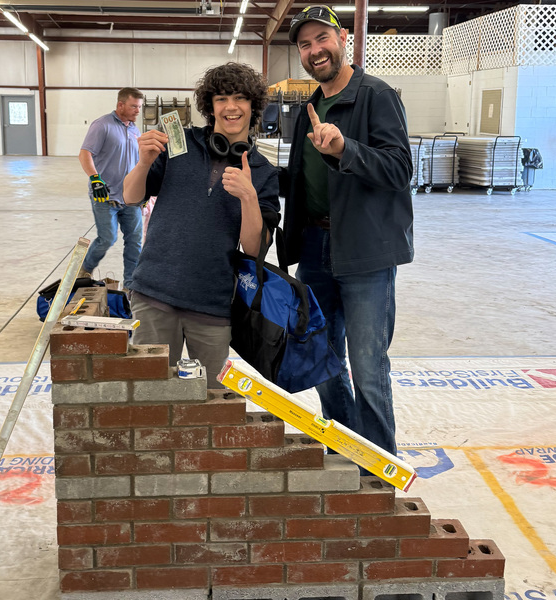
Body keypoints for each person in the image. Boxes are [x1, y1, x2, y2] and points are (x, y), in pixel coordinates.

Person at [281, 6, 414, 456]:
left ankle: (378, 469)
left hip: (364, 250)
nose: (314, 50)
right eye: (305, 44)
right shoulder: (310, 107)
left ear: (342, 39)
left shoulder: (376, 95)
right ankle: (347, 451)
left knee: (368, 367)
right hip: (314, 247)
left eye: (322, 38)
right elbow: (301, 178)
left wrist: (345, 149)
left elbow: (400, 169)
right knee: (323, 360)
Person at [123, 62, 280, 389]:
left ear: (253, 105)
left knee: (211, 400)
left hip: (212, 305)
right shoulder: (179, 143)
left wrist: (249, 198)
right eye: (221, 98)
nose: (231, 107)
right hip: (153, 294)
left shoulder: (263, 172)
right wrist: (144, 163)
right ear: (210, 106)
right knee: (149, 394)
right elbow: (131, 196)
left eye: (240, 98)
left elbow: (255, 247)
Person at [78, 87, 144, 288]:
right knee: (107, 238)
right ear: (120, 105)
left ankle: (131, 285)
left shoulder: (135, 130)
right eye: (134, 106)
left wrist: (144, 188)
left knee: (135, 242)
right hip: (105, 196)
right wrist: (95, 179)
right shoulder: (102, 125)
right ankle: (85, 268)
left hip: (130, 197)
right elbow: (85, 154)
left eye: (139, 107)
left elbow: (138, 162)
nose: (138, 111)